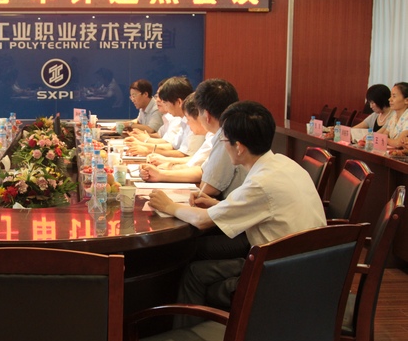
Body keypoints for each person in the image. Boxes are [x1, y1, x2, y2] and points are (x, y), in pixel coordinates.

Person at [149, 101, 326, 315]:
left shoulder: (261, 183)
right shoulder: (284, 164)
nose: (224, 146)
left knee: (195, 271)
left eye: (224, 141)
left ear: (239, 147)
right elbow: (260, 208)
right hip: (310, 268)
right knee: (197, 269)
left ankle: (199, 332)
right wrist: (217, 204)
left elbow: (202, 221)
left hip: (280, 280)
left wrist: (168, 205)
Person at [140, 79, 246, 201]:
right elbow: (202, 170)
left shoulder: (226, 138)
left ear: (206, 115)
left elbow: (208, 188)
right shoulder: (223, 133)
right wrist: (161, 174)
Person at [125, 77, 202, 157]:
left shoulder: (193, 121)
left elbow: (185, 155)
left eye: (165, 101)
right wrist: (142, 144)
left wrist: (147, 148)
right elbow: (172, 145)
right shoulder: (183, 120)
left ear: (179, 102)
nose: (159, 101)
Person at [377, 82, 408, 147]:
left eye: (394, 96)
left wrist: (384, 139)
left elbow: (398, 143)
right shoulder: (394, 116)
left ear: (406, 100)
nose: (389, 99)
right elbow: (383, 135)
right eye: (390, 96)